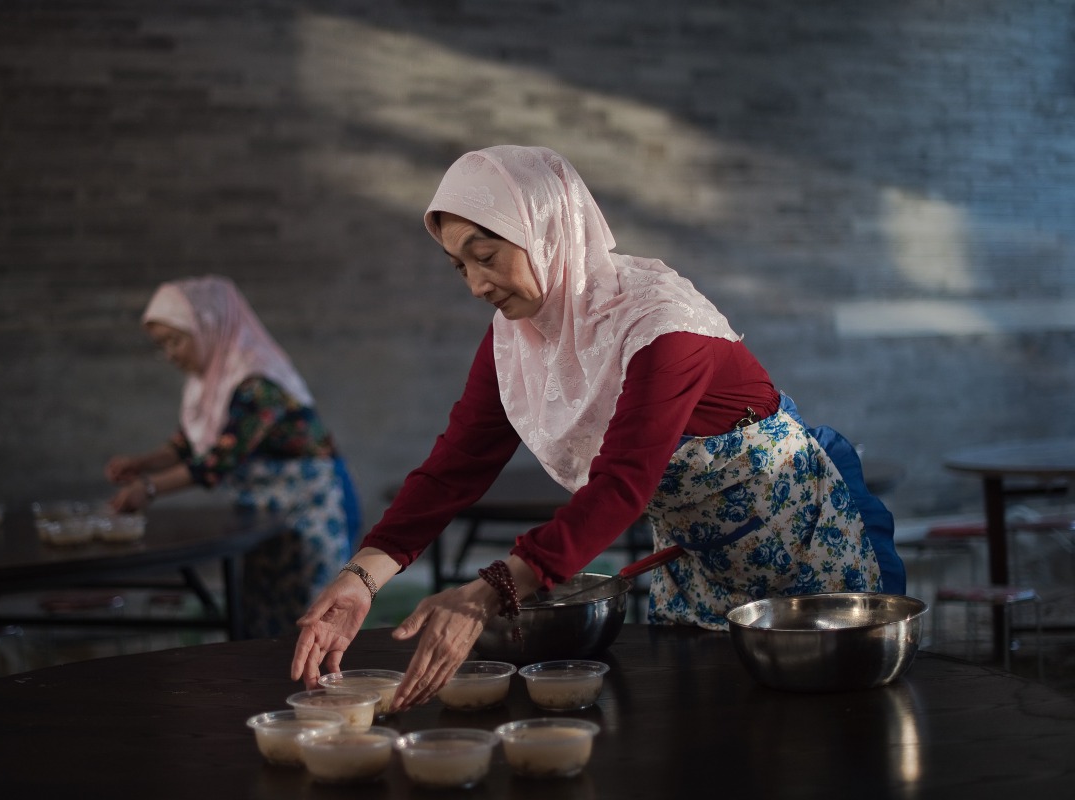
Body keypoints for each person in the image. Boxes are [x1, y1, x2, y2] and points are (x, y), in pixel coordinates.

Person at [291, 145, 904, 710]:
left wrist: (484, 594)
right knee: (717, 733)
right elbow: (457, 464)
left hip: (800, 545)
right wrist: (360, 579)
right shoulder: (520, 336)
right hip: (698, 561)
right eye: (459, 267)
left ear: (546, 228)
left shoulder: (662, 324)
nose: (477, 285)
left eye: (487, 255)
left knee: (824, 733)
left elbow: (622, 486)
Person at [105, 274, 361, 638]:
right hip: (265, 518)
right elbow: (190, 443)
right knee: (266, 623)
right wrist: (144, 463)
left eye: (175, 341)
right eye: (162, 346)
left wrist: (148, 487)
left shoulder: (257, 381)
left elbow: (219, 459)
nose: (170, 355)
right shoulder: (214, 380)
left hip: (313, 515)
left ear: (209, 326)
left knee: (313, 620)